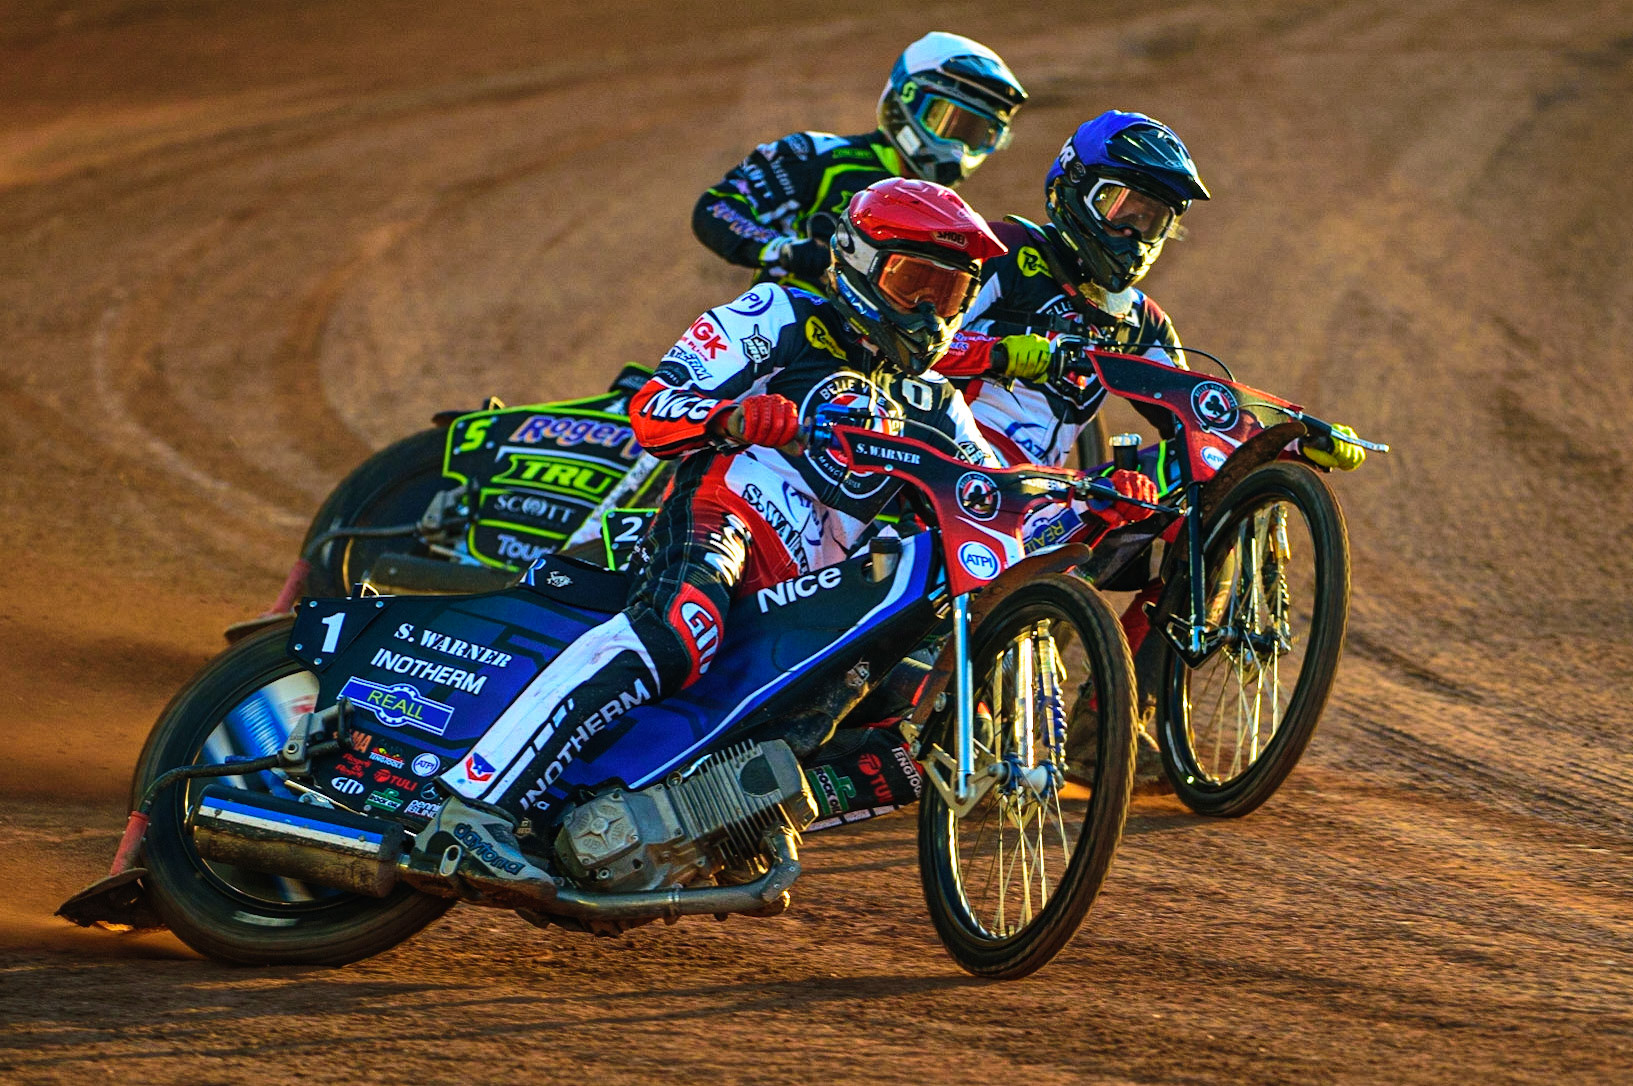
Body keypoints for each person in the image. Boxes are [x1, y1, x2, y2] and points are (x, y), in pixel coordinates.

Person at [415, 179, 1152, 896]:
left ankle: (700, 822)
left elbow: (994, 501)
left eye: (952, 296)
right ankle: (472, 807)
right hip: (722, 518)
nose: (931, 313)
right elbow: (654, 406)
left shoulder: (932, 405)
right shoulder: (783, 314)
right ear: (859, 263)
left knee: (879, 722)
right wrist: (731, 419)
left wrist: (1093, 502)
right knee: (677, 633)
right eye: (914, 284)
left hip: (804, 598)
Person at [691, 31, 1027, 295]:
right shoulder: (814, 155)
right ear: (906, 99)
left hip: (882, 371)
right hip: (784, 340)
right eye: (950, 124)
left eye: (980, 135)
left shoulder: (957, 222)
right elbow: (716, 208)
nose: (959, 148)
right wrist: (786, 250)